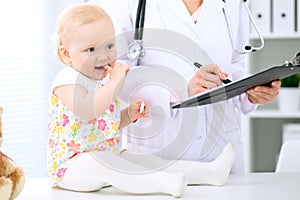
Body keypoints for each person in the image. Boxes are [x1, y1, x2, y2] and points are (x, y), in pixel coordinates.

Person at [46, 3, 236, 197]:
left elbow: (104, 124)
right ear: (66, 54)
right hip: (72, 166)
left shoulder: (101, 82)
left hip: (106, 155)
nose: (103, 55)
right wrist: (115, 82)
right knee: (101, 163)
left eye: (109, 46)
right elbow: (87, 111)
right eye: (91, 49)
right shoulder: (66, 80)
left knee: (144, 161)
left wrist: (129, 115)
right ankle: (164, 183)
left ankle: (209, 173)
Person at [97, 0, 281, 173]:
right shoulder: (128, 3)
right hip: (159, 148)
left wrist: (249, 92)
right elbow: (116, 75)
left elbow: (234, 65)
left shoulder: (233, 2)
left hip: (220, 145)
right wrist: (180, 89)